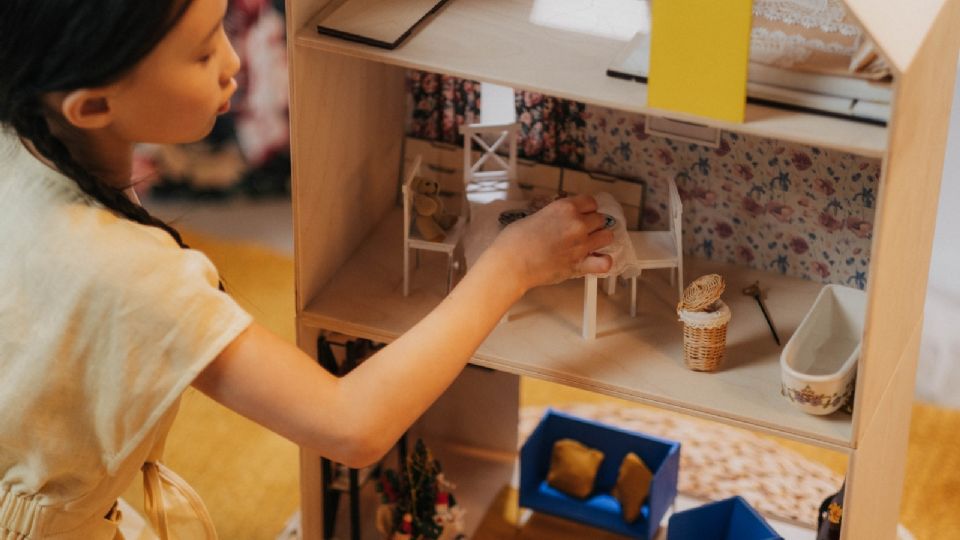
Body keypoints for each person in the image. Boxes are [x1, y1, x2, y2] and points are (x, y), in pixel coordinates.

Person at [0, 0, 614, 538]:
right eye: (200, 53)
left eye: (223, 28)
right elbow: (352, 425)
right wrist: (511, 267)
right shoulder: (133, 274)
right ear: (94, 104)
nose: (234, 62)